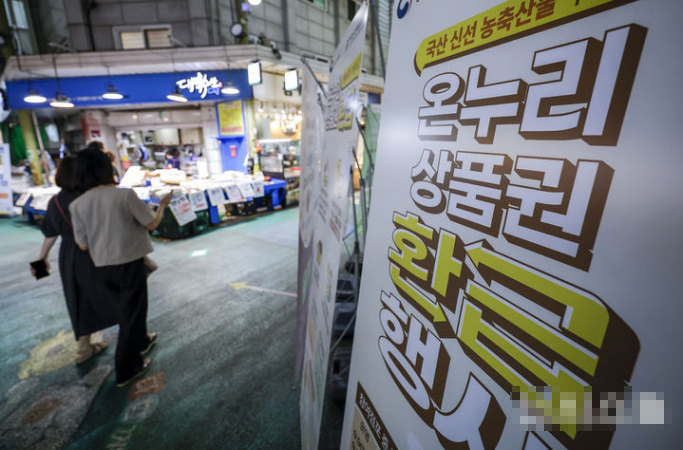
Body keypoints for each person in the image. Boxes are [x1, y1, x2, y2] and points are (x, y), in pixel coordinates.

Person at [70, 148, 171, 387]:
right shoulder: (124, 196)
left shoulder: (77, 205)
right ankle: (127, 368)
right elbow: (152, 224)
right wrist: (163, 205)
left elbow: (82, 244)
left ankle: (142, 342)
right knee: (131, 316)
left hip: (101, 267)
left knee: (128, 311)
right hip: (129, 263)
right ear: (107, 169)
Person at [32, 156, 117, 364]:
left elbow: (50, 234)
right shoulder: (89, 197)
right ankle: (137, 337)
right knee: (119, 293)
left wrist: (41, 258)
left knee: (78, 299)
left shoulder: (55, 202)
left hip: (70, 256)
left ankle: (83, 349)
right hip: (97, 250)